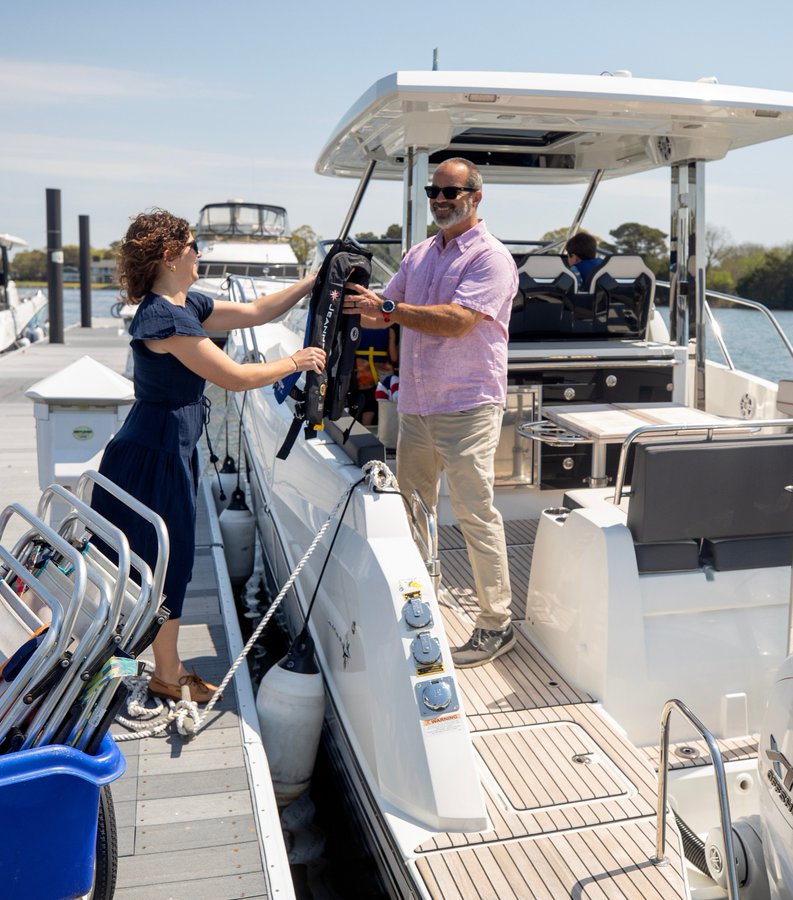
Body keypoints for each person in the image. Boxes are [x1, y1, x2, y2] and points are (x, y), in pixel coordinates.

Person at [91, 209, 324, 703]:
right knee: (158, 561)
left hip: (170, 445)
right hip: (153, 452)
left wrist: (312, 281)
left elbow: (260, 311)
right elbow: (233, 377)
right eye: (195, 247)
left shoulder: (185, 305)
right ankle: (163, 673)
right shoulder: (162, 317)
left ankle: (164, 669)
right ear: (172, 256)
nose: (201, 254)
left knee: (165, 562)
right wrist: (296, 361)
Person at [343, 159, 519, 668]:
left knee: (474, 513)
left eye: (451, 191)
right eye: (433, 191)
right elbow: (384, 308)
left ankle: (495, 623)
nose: (440, 199)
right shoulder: (419, 255)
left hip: (467, 405)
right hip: (417, 405)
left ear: (476, 197)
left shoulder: (491, 258)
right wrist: (352, 299)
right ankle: (423, 609)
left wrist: (392, 312)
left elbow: (458, 322)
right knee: (415, 512)